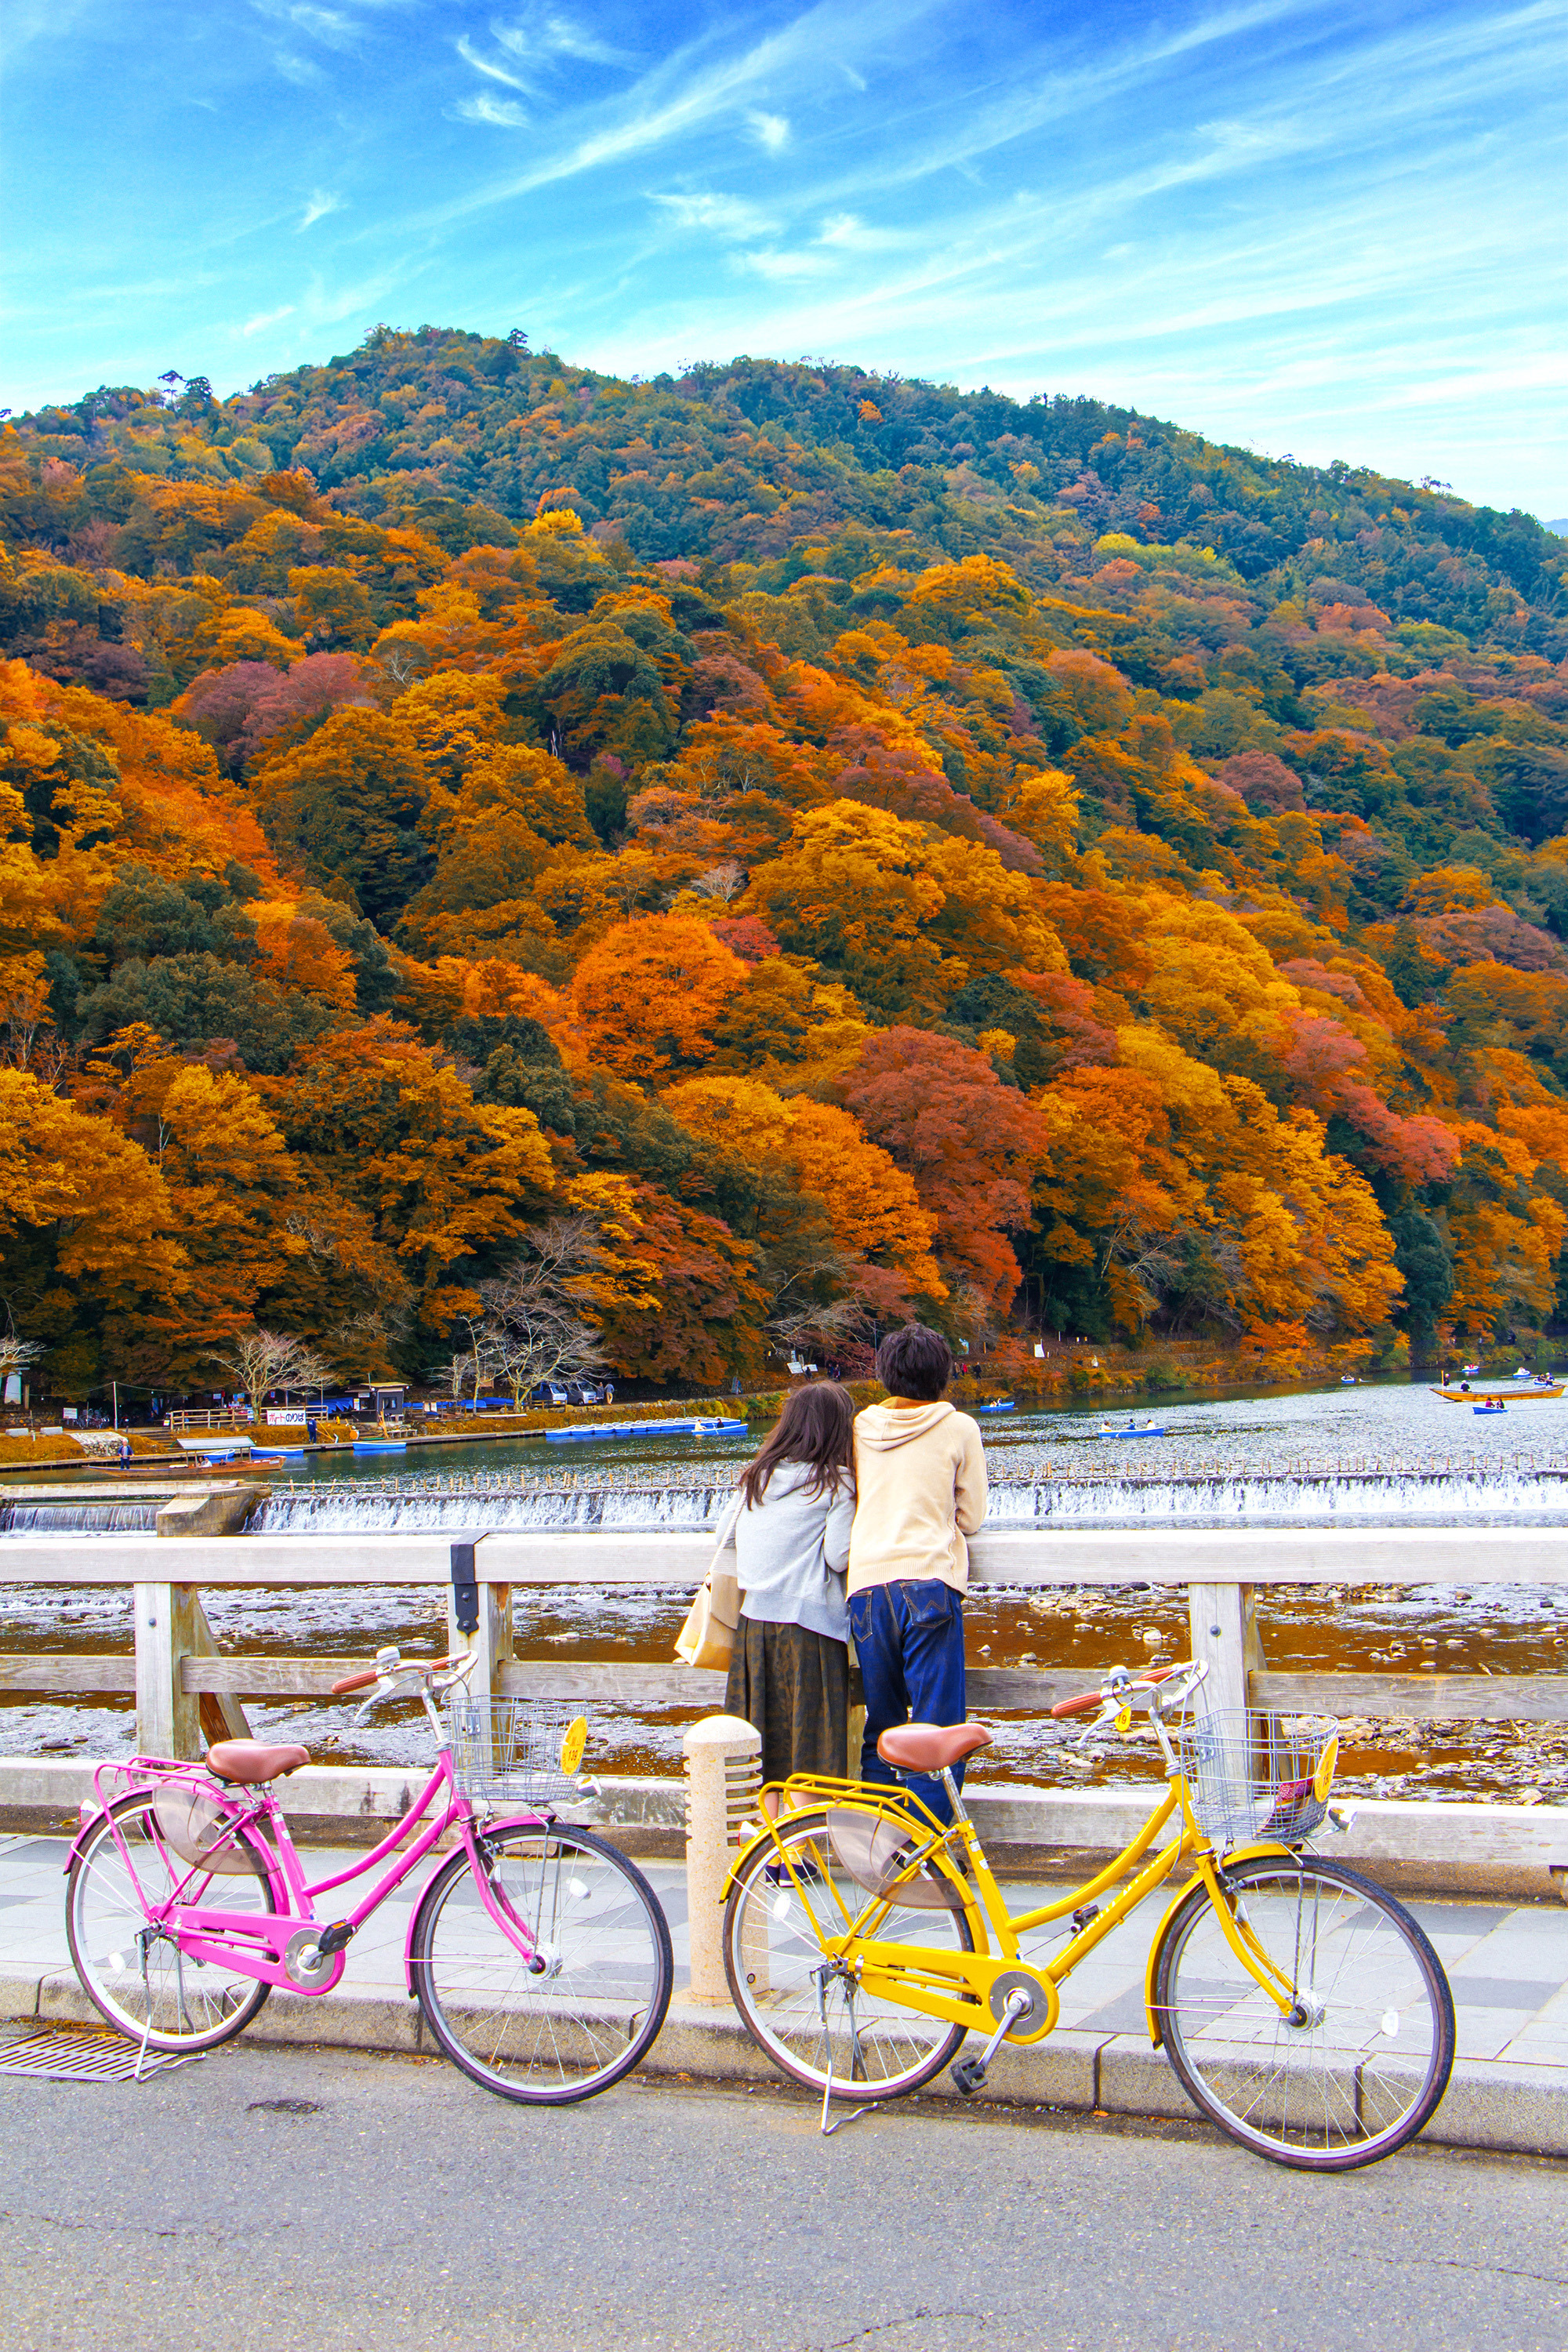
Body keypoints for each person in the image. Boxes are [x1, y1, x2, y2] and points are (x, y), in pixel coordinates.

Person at [848, 1324, 988, 1821]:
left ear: (885, 1374)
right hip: (928, 1580)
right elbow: (971, 1517)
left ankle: (879, 1844)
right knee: (936, 1727)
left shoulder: (858, 1429)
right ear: (944, 1375)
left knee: (882, 1725)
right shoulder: (959, 1428)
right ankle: (927, 1848)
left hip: (865, 1587)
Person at [719, 1381, 856, 1816]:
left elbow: (726, 1539)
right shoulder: (836, 1483)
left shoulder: (755, 1478)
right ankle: (800, 1856)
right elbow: (839, 1557)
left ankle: (769, 1849)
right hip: (809, 1626)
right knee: (809, 1744)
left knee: (766, 1743)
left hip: (754, 1625)